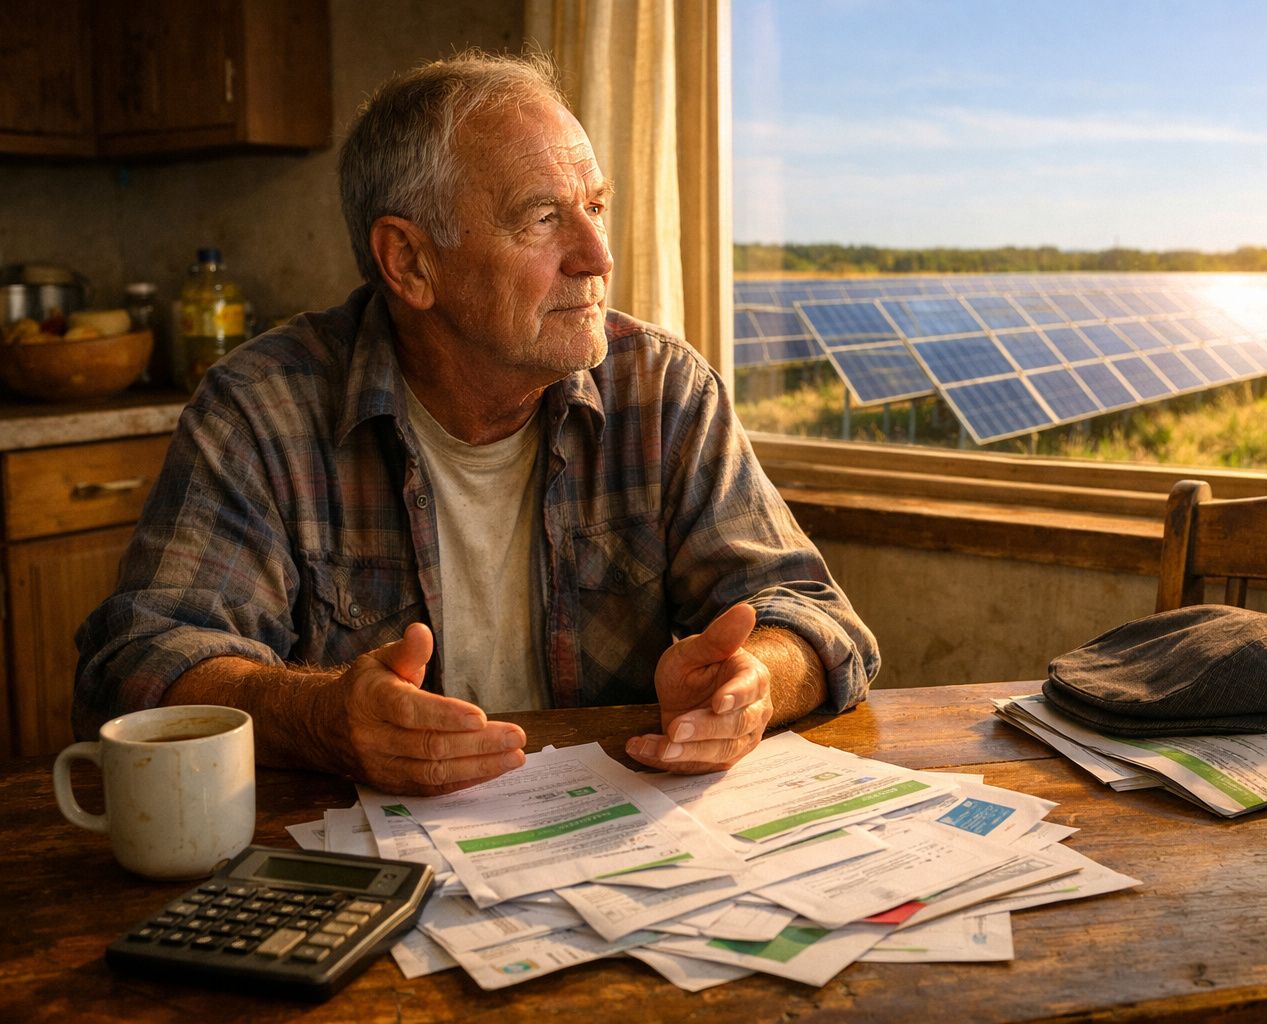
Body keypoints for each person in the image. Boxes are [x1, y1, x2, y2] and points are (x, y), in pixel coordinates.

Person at [73, 52, 878, 796]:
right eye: (542, 218)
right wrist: (320, 716)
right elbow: (141, 661)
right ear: (410, 262)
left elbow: (813, 615)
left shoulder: (661, 389)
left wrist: (755, 681)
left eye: (595, 206)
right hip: (359, 864)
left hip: (613, 847)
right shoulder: (262, 411)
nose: (597, 254)